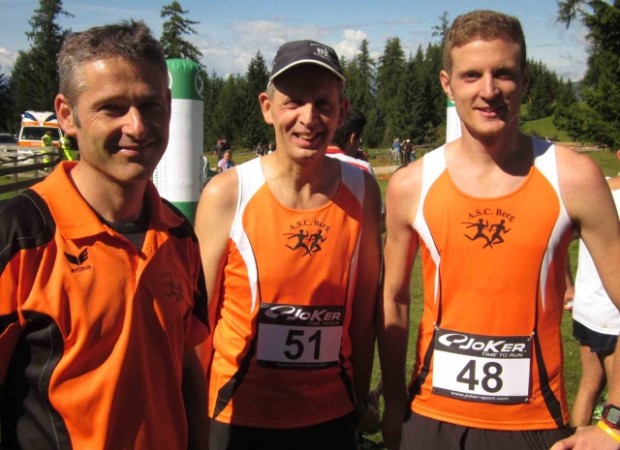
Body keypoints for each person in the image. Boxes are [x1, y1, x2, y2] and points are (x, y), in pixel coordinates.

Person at [379, 9, 620, 450]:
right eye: (471, 75)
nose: (488, 91)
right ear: (447, 85)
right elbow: (393, 300)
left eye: (503, 74)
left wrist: (616, 422)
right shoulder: (410, 185)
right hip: (431, 416)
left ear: (524, 80)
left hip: (534, 422)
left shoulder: (575, 177)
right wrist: (394, 404)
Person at [0, 21, 209, 449]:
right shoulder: (19, 236)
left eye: (150, 105)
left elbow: (187, 366)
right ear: (66, 115)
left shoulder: (179, 235)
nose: (137, 126)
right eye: (112, 108)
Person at [195, 39, 382, 450]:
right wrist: (192, 422)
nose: (308, 118)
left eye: (323, 103)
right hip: (238, 416)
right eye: (293, 102)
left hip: (330, 415)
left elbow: (364, 313)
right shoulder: (227, 193)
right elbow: (198, 324)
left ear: (342, 111)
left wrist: (357, 397)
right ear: (266, 107)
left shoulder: (363, 190)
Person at [570, 174, 620, 427]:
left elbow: (556, 238)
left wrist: (567, 286)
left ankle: (575, 439)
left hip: (586, 309)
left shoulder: (595, 194)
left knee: (589, 386)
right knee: (616, 399)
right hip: (613, 317)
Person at [326, 107, 374, 175]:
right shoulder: (362, 169)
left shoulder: (310, 162)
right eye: (359, 140)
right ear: (352, 138)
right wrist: (364, 163)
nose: (359, 147)